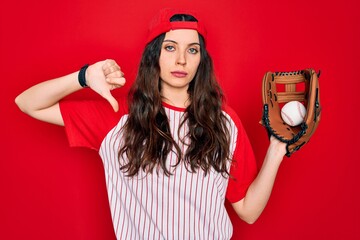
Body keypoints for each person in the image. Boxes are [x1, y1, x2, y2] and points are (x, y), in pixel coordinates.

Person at [15, 8, 286, 240]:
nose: (182, 59)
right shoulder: (116, 116)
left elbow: (248, 212)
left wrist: (276, 149)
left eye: (192, 50)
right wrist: (84, 76)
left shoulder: (224, 121)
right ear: (154, 54)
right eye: (171, 47)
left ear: (201, 59)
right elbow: (28, 102)